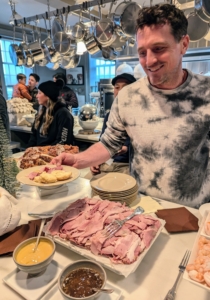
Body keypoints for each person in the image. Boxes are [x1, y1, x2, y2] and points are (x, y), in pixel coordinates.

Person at [52, 4, 210, 208]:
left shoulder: (206, 92)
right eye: (142, 52)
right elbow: (109, 143)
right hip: (140, 205)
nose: (149, 61)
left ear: (184, 44)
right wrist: (79, 160)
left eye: (159, 49)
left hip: (194, 210)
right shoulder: (128, 96)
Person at [86, 73, 136, 180]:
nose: (120, 91)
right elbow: (103, 142)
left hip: (127, 165)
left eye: (126, 87)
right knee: (83, 188)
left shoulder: (140, 115)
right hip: (107, 163)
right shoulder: (110, 115)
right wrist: (96, 160)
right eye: (117, 87)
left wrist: (127, 148)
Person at [27, 80, 74, 147]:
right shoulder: (41, 112)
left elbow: (62, 142)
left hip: (54, 155)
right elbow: (34, 136)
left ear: (48, 96)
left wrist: (44, 152)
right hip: (39, 153)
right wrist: (29, 150)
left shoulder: (63, 114)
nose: (37, 96)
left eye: (39, 93)